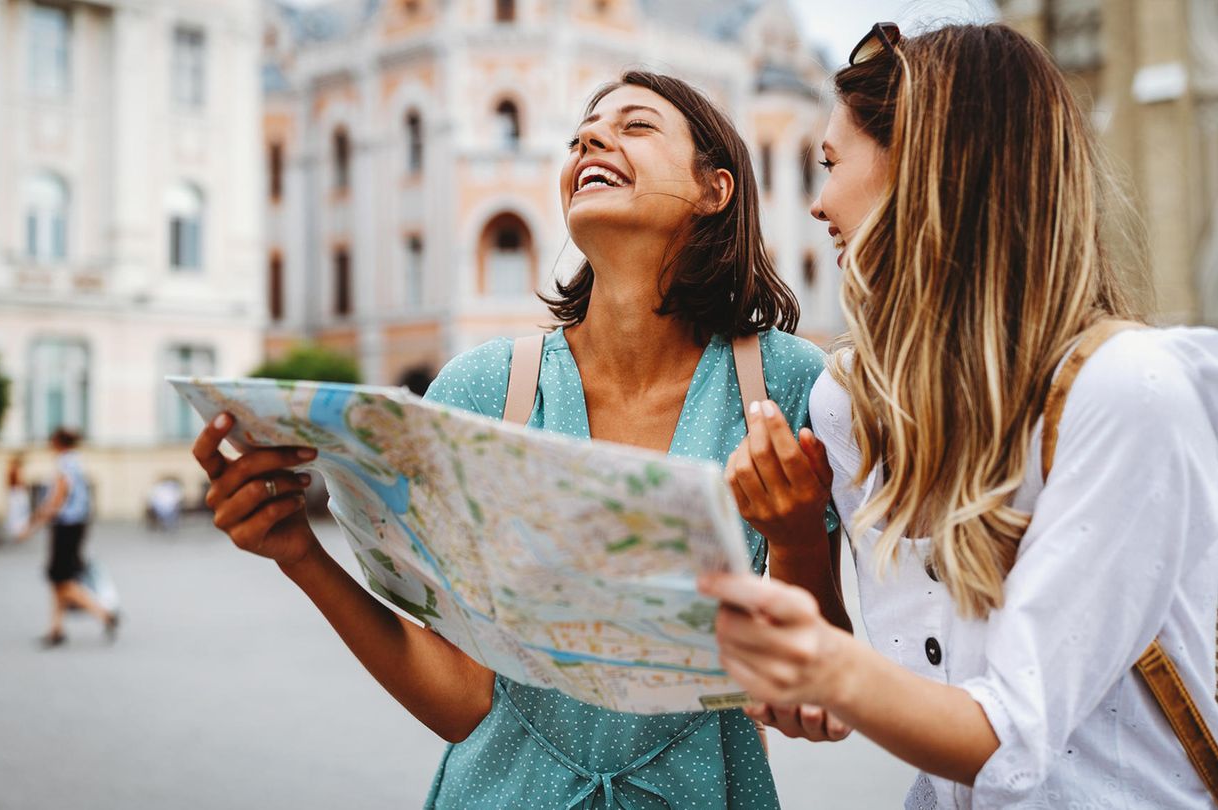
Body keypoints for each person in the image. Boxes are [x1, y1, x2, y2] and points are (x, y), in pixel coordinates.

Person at [192, 70, 836, 807]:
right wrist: (302, 556)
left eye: (635, 126)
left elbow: (814, 688)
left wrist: (797, 539)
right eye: (583, 134)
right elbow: (461, 700)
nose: (591, 138)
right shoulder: (480, 390)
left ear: (715, 189)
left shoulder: (785, 386)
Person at [701, 22, 1218, 808]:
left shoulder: (1128, 389)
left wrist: (817, 661)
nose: (818, 202)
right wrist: (793, 546)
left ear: (931, 167)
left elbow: (1012, 735)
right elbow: (844, 706)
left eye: (831, 163)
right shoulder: (852, 401)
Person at [18, 427, 119, 647]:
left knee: (62, 579)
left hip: (66, 527)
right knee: (58, 580)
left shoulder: (65, 464)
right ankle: (56, 629)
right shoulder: (76, 461)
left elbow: (57, 500)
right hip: (76, 525)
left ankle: (105, 614)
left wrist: (32, 524)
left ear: (57, 442)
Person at [4, 453, 31, 541]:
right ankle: (20, 532)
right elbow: (20, 482)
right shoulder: (17, 470)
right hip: (18, 493)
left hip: (14, 493)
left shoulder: (10, 470)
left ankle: (18, 532)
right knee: (20, 513)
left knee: (15, 513)